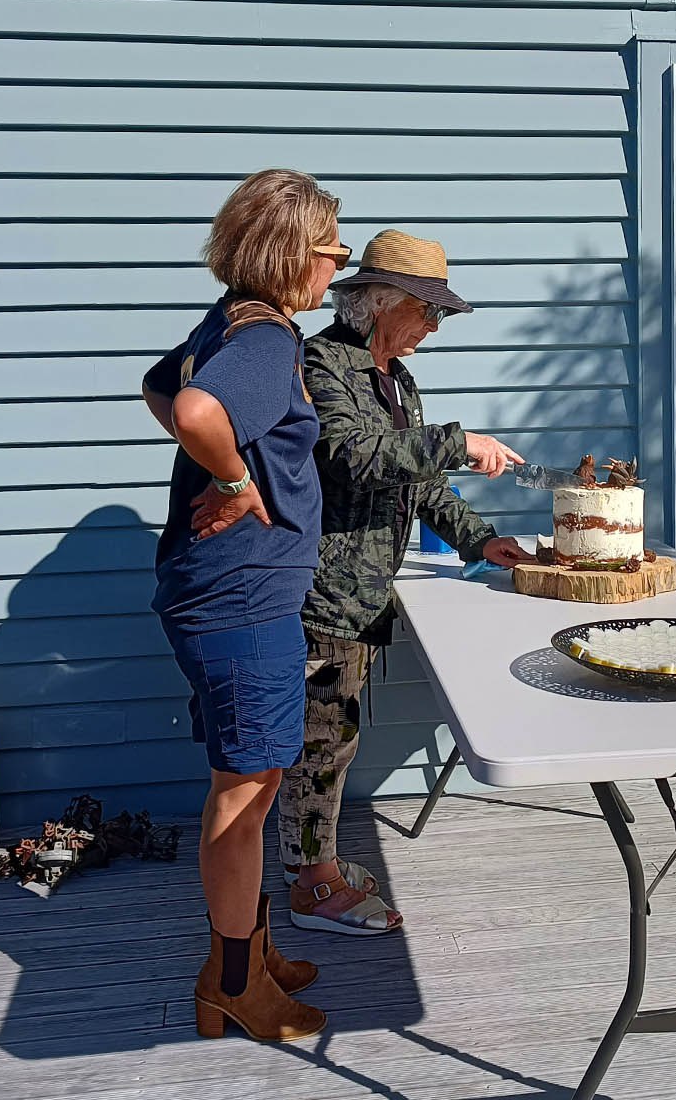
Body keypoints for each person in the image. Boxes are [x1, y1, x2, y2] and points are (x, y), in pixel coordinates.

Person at [279, 228, 535, 934]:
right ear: (380, 303)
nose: (434, 325)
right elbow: (351, 454)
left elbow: (417, 484)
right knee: (321, 741)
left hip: (363, 596)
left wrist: (481, 539)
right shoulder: (322, 364)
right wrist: (458, 442)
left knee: (335, 737)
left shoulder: (396, 379)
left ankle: (317, 864)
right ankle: (313, 888)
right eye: (427, 310)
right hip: (325, 591)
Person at [142, 169, 348, 1041]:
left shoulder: (230, 320)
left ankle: (250, 954)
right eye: (333, 251)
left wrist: (231, 469)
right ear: (294, 253)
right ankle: (233, 984)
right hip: (243, 599)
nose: (337, 268)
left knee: (249, 784)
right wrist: (232, 480)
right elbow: (192, 409)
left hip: (228, 593)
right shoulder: (266, 341)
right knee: (245, 794)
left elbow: (158, 386)